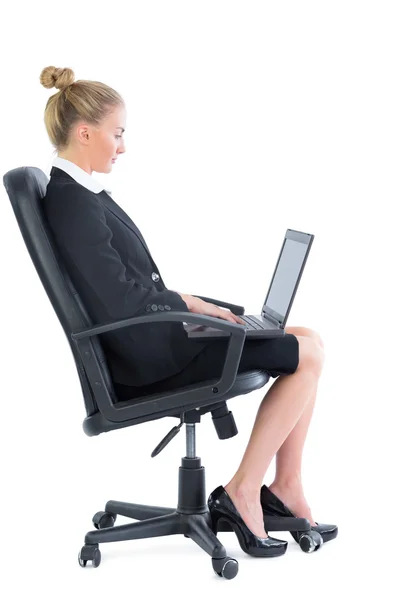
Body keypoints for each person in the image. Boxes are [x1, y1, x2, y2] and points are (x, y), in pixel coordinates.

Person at [40, 65, 337, 558]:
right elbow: (121, 301)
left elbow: (128, 287)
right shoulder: (74, 204)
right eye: (118, 134)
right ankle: (244, 490)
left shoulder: (82, 194)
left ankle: (287, 488)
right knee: (306, 356)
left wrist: (204, 307)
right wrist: (190, 306)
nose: (122, 146)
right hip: (147, 357)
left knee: (307, 336)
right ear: (85, 131)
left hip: (153, 337)